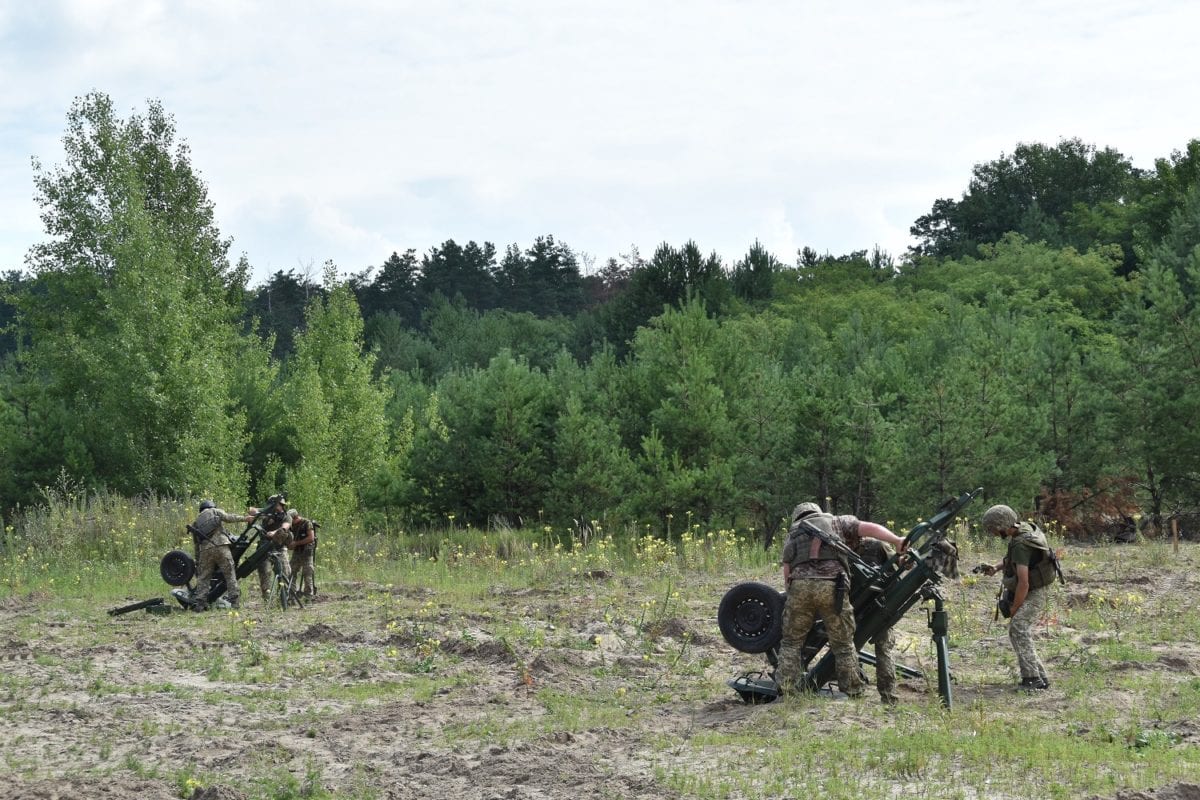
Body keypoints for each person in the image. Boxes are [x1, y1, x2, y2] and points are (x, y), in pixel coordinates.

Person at [775, 502, 908, 700]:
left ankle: (787, 691)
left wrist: (794, 599)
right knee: (843, 645)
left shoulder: (794, 532)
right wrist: (897, 540)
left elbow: (787, 570)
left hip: (800, 586)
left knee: (791, 643)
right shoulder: (836, 522)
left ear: (798, 517)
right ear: (818, 512)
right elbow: (869, 528)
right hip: (833, 586)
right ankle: (854, 691)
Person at [978, 504, 1059, 691]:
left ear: (1002, 525)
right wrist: (996, 567)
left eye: (993, 530)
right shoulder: (1023, 529)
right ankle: (1040, 676)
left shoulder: (1021, 544)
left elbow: (1023, 583)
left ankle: (1032, 680)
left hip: (1035, 590)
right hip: (1038, 586)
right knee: (1017, 630)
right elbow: (1014, 560)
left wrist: (1015, 607)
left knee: (1019, 627)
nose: (993, 534)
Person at [853, 537, 900, 704]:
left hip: (855, 607)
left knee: (849, 646)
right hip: (878, 607)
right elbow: (896, 571)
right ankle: (889, 696)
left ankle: (855, 689)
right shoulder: (880, 545)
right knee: (884, 650)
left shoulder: (845, 546)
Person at [189, 500, 255, 610]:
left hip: (205, 551)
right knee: (230, 575)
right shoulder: (215, 511)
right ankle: (235, 603)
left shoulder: (196, 522)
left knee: (204, 577)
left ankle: (200, 604)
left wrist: (198, 560)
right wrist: (245, 518)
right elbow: (229, 518)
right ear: (212, 506)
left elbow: (196, 544)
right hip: (221, 546)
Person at [252, 494, 293, 603]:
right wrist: (263, 511)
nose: (275, 507)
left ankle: (284, 599)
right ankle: (267, 600)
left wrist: (274, 532)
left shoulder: (286, 516)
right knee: (264, 572)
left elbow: (285, 527)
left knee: (285, 572)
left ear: (281, 505)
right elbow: (251, 511)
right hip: (265, 547)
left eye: (277, 504)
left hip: (280, 548)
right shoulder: (267, 514)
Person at [286, 509, 318, 598]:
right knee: (291, 572)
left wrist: (296, 543)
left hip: (307, 551)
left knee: (307, 573)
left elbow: (311, 538)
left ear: (295, 518)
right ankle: (291, 595)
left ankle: (308, 596)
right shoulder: (292, 525)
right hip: (297, 551)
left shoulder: (306, 523)